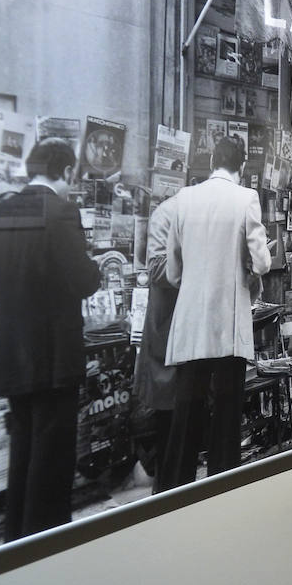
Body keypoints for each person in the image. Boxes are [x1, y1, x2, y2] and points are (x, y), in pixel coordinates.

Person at [0, 138, 101, 542]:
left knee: (22, 454)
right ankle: (46, 548)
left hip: (12, 354)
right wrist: (93, 266)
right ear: (65, 173)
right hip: (55, 357)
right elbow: (83, 280)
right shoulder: (61, 213)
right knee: (52, 461)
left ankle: (16, 542)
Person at [159, 137, 271, 491]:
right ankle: (221, 492)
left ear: (211, 161)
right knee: (225, 419)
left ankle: (176, 493)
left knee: (187, 416)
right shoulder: (245, 198)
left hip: (190, 326)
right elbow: (264, 262)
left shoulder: (184, 199)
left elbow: (173, 272)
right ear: (241, 167)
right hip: (228, 326)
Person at [130, 190, 181, 490]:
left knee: (176, 425)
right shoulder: (166, 215)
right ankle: (163, 487)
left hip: (177, 334)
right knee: (167, 420)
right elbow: (157, 269)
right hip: (165, 332)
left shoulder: (175, 213)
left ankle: (167, 483)